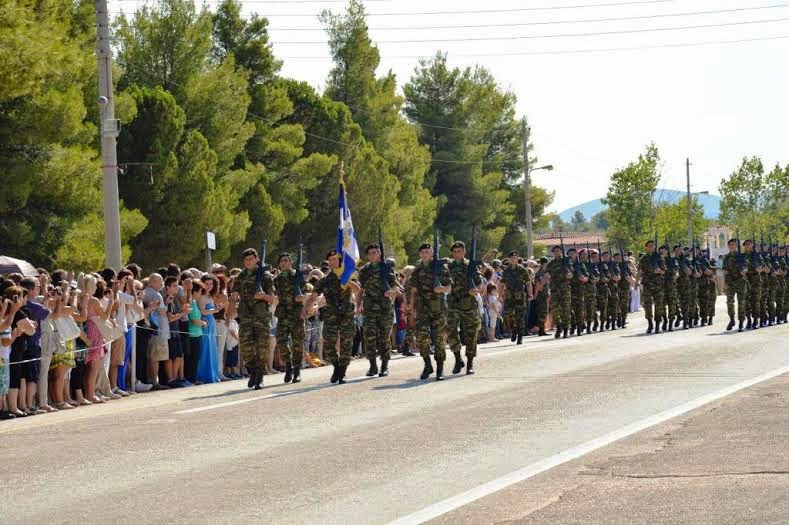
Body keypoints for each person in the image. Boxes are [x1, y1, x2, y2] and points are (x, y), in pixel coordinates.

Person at [306, 250, 359, 384]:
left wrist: (345, 279)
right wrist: (306, 308)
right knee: (328, 343)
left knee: (346, 343)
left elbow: (357, 289)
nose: (332, 262)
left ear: (339, 261)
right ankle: (336, 366)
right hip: (331, 315)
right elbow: (314, 295)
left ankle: (343, 372)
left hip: (346, 314)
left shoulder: (348, 275)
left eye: (335, 259)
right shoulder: (325, 280)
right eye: (330, 260)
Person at [406, 242, 452, 381]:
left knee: (438, 339)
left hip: (438, 307)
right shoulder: (417, 269)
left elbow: (449, 286)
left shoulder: (440, 266)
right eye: (423, 252)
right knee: (420, 337)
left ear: (432, 253)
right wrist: (411, 308)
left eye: (428, 252)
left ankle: (440, 368)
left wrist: (442, 289)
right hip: (422, 308)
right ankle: (427, 364)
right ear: (420, 254)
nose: (425, 254)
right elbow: (413, 290)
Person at [236, 248, 277, 390]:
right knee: (245, 348)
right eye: (246, 260)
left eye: (250, 259)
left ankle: (259, 376)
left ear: (257, 259)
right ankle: (252, 370)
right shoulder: (240, 276)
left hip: (261, 318)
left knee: (261, 349)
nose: (248, 262)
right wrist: (229, 315)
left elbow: (273, 299)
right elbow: (234, 296)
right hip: (245, 317)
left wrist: (263, 296)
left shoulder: (265, 276)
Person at [358, 243, 397, 377]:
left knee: (384, 338)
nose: (373, 255)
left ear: (380, 254)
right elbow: (361, 290)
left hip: (385, 308)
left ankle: (384, 366)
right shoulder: (363, 271)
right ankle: (373, 366)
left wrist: (391, 292)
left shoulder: (387, 267)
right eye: (371, 253)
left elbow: (395, 286)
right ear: (368, 256)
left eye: (376, 252)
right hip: (369, 309)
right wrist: (358, 306)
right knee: (369, 338)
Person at [446, 241, 484, 374]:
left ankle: (470, 363)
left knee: (471, 334)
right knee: (451, 331)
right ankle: (457, 359)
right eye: (454, 251)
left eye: (459, 251)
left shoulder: (471, 265)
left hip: (468, 304)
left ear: (464, 252)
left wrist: (476, 290)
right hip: (453, 304)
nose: (457, 254)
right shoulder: (448, 266)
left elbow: (480, 283)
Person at [274, 252, 307, 384]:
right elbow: (273, 293)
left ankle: (297, 370)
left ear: (291, 263)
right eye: (282, 261)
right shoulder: (276, 279)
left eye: (286, 260)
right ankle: (288, 366)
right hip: (283, 315)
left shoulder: (297, 276)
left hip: (296, 314)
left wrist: (302, 297)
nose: (284, 263)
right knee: (281, 342)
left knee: (297, 344)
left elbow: (306, 291)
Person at [500, 251, 531, 345]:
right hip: (509, 297)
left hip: (520, 296)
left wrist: (530, 294)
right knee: (507, 315)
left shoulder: (522, 270)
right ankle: (513, 329)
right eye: (511, 258)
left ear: (517, 259)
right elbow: (502, 283)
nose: (513, 259)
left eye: (515, 258)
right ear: (509, 259)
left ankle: (520, 337)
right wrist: (500, 294)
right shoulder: (506, 271)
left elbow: (528, 283)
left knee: (520, 317)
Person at [196, 275, 221, 384]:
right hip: (205, 323)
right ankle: (204, 375)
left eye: (211, 284)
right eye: (207, 284)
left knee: (211, 348)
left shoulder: (210, 296)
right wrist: (215, 311)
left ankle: (212, 374)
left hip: (211, 323)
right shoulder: (202, 296)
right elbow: (202, 312)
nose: (209, 286)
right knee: (205, 349)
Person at [638, 240, 665, 334]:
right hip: (647, 284)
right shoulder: (643, 258)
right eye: (649, 246)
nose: (651, 247)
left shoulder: (659, 257)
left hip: (658, 284)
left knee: (659, 305)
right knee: (647, 305)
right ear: (646, 247)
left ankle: (657, 324)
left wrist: (660, 271)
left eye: (653, 246)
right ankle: (650, 323)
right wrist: (637, 281)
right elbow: (640, 270)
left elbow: (664, 270)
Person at [547, 245, 573, 339]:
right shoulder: (551, 264)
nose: (556, 252)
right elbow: (547, 275)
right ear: (553, 253)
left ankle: (566, 328)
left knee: (566, 310)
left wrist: (569, 274)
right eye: (555, 251)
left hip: (565, 289)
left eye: (558, 250)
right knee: (554, 310)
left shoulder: (566, 261)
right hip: (554, 290)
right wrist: (543, 286)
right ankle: (558, 326)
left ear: (561, 252)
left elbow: (571, 273)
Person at [722, 238, 748, 332]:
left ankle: (741, 322)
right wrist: (724, 285)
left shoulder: (742, 256)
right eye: (730, 245)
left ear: (736, 246)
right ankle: (732, 320)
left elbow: (746, 267)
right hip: (730, 282)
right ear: (728, 246)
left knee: (741, 302)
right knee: (729, 302)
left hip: (741, 281)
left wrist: (744, 271)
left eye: (734, 244)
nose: (732, 246)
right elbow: (725, 272)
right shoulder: (726, 257)